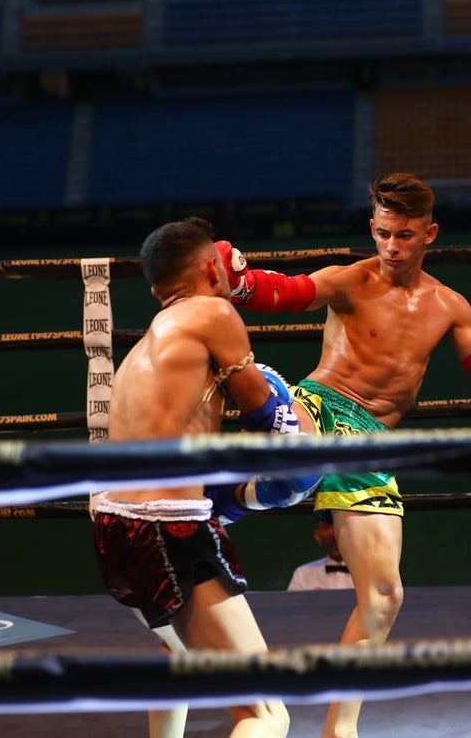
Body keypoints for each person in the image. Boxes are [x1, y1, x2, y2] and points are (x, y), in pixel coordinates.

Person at [217, 173, 471, 738]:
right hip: (321, 404)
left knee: (384, 596)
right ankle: (223, 500)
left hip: (372, 440)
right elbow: (295, 291)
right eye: (382, 233)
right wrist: (244, 283)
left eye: (404, 235)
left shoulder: (450, 306)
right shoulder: (353, 281)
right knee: (291, 444)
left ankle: (339, 729)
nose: (391, 246)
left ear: (429, 234)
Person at [92, 216, 308, 738]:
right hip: (166, 525)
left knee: (181, 660)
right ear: (212, 267)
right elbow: (268, 421)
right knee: (264, 713)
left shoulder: (144, 349)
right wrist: (301, 446)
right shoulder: (212, 313)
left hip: (111, 519)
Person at [287, 520, 353, 592]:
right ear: (318, 537)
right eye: (328, 528)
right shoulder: (302, 574)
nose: (335, 536)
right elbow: (290, 602)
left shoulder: (367, 572)